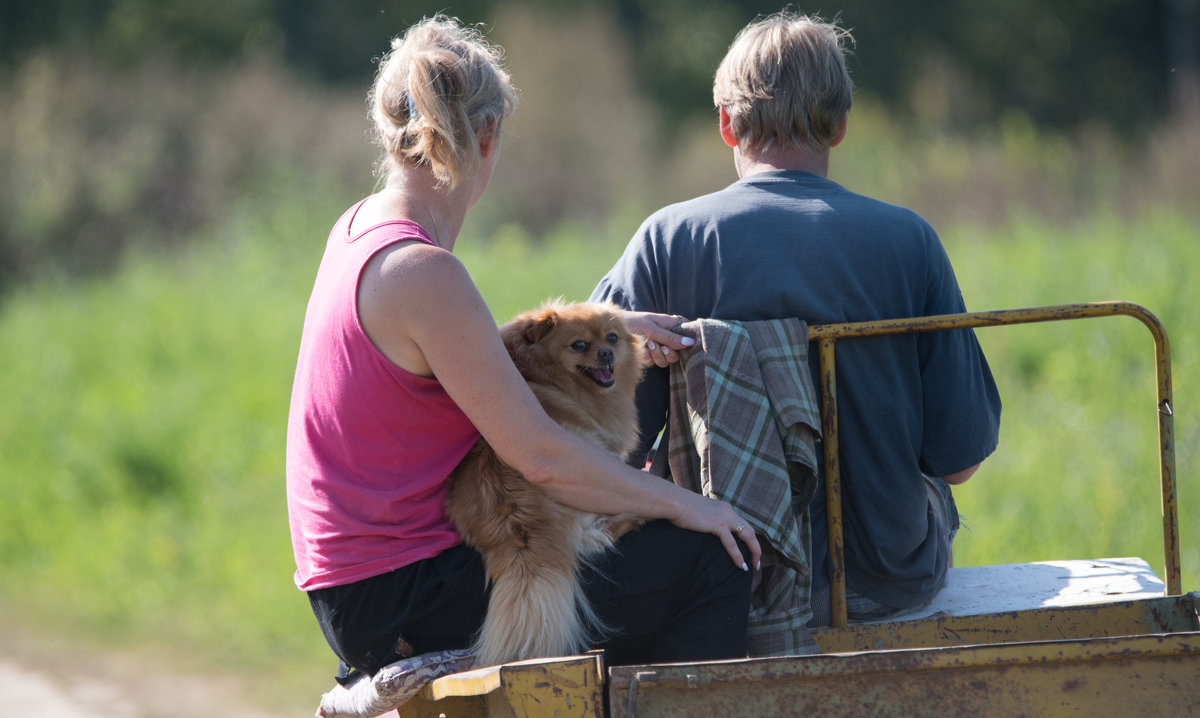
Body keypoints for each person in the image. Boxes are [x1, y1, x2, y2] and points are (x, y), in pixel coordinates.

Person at [285, 16, 761, 684]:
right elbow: (541, 457)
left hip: (359, 587)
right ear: (487, 136)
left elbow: (469, 356)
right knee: (710, 562)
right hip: (401, 591)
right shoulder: (425, 273)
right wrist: (690, 503)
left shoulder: (361, 231)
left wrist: (614, 326)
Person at [590, 11, 1002, 625]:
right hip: (882, 580)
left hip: (720, 579)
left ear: (727, 125)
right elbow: (959, 461)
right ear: (839, 127)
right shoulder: (910, 241)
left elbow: (599, 447)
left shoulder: (666, 241)